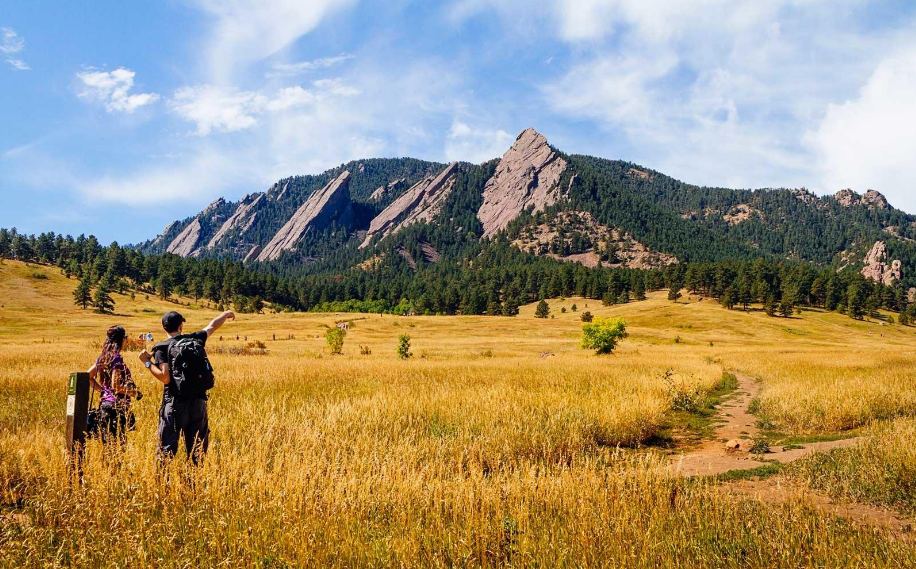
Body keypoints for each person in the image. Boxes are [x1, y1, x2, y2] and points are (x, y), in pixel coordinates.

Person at [139, 310, 235, 464]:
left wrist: (147, 363)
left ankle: (165, 484)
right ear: (180, 325)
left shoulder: (161, 347)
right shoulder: (194, 339)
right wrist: (225, 314)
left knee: (166, 451)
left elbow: (165, 377)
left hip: (175, 404)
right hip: (198, 403)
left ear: (164, 327)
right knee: (197, 450)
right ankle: (194, 483)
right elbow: (212, 326)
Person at [87, 325, 141, 444]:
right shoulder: (116, 359)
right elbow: (116, 386)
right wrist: (134, 393)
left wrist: (103, 391)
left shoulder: (103, 358)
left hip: (105, 405)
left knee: (108, 447)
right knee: (117, 448)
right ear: (122, 339)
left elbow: (88, 377)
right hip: (116, 408)